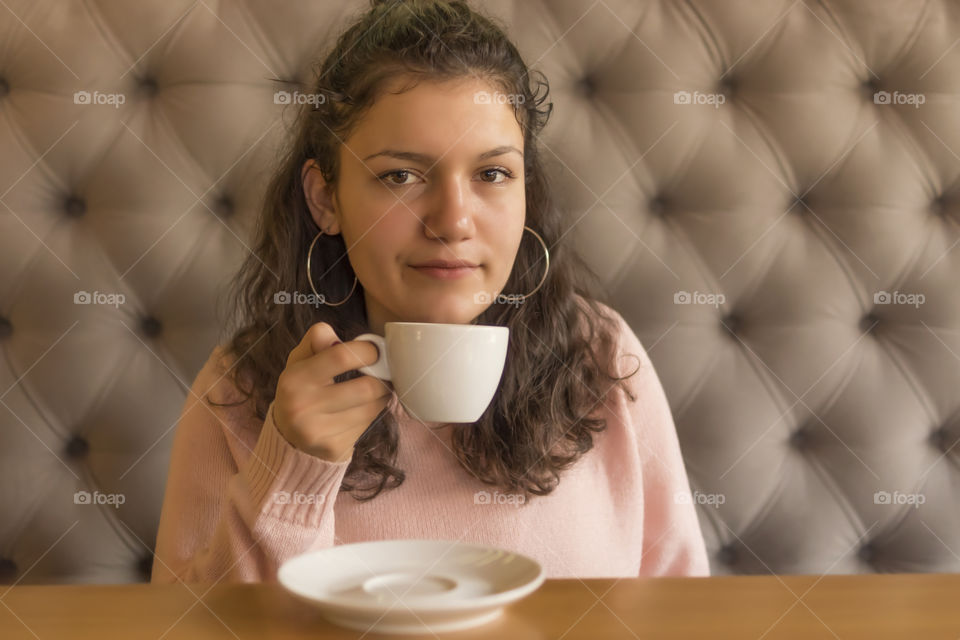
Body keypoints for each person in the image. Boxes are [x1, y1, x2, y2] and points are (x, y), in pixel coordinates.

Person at [151, 0, 710, 583]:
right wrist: (290, 470)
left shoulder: (601, 355)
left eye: (492, 174)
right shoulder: (239, 391)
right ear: (326, 198)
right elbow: (191, 626)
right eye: (401, 176)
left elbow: (683, 605)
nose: (452, 221)